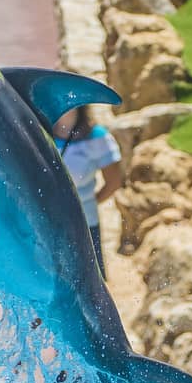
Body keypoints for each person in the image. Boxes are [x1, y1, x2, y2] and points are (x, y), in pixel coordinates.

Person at [52, 107, 124, 275]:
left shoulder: (97, 137)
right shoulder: (40, 131)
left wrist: (87, 202)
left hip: (84, 225)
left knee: (91, 281)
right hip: (49, 223)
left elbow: (114, 183)